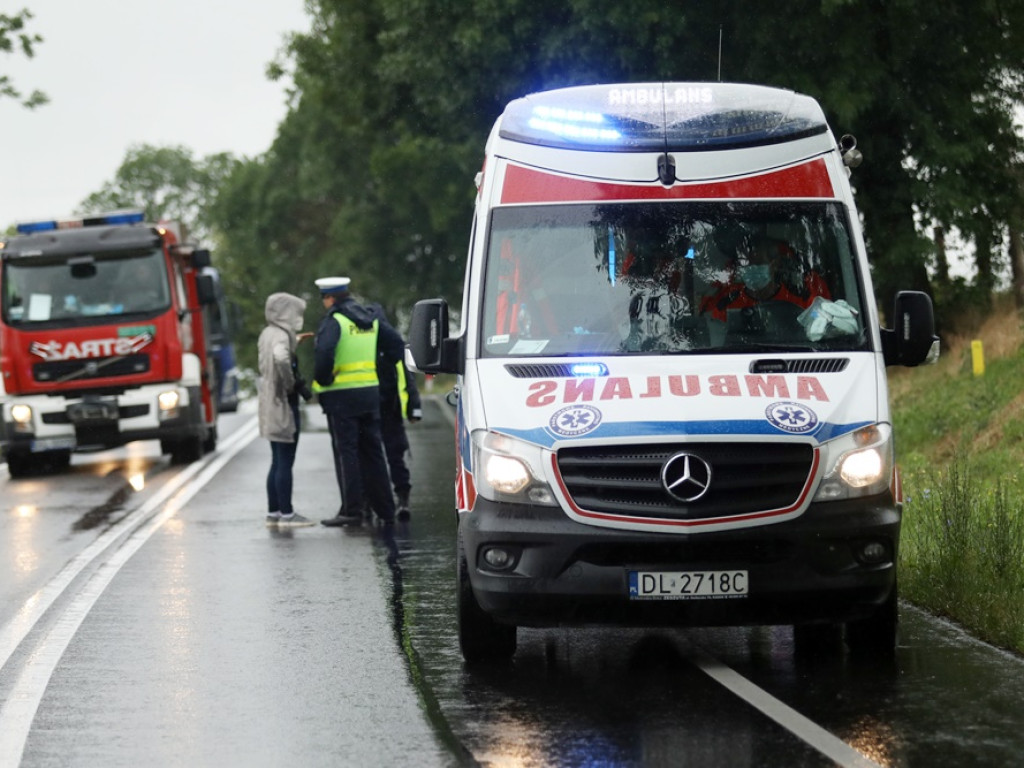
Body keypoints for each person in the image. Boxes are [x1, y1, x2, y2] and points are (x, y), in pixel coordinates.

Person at [313, 276, 405, 526]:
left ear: (330, 298)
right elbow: (397, 346)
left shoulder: (336, 320)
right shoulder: (371, 319)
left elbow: (323, 354)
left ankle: (352, 510)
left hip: (342, 396)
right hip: (370, 394)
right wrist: (378, 369)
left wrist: (324, 379)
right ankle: (386, 509)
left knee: (348, 453)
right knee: (374, 452)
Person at [257, 292, 315, 527]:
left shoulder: (267, 333)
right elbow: (280, 358)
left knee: (276, 459)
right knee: (285, 461)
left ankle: (274, 512)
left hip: (269, 400)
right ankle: (288, 514)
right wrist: (291, 384)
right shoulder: (281, 336)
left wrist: (294, 341)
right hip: (283, 402)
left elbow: (273, 353)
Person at [365, 302, 423, 521]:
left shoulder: (372, 343)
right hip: (390, 407)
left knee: (374, 455)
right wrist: (413, 407)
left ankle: (378, 501)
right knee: (393, 454)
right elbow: (409, 378)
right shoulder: (392, 343)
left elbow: (407, 378)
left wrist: (414, 405)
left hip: (377, 407)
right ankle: (400, 499)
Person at [699, 234, 831, 323]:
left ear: (774, 265)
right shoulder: (726, 303)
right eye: (746, 264)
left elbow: (818, 321)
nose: (751, 268)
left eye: (757, 263)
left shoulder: (800, 298)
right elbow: (715, 335)